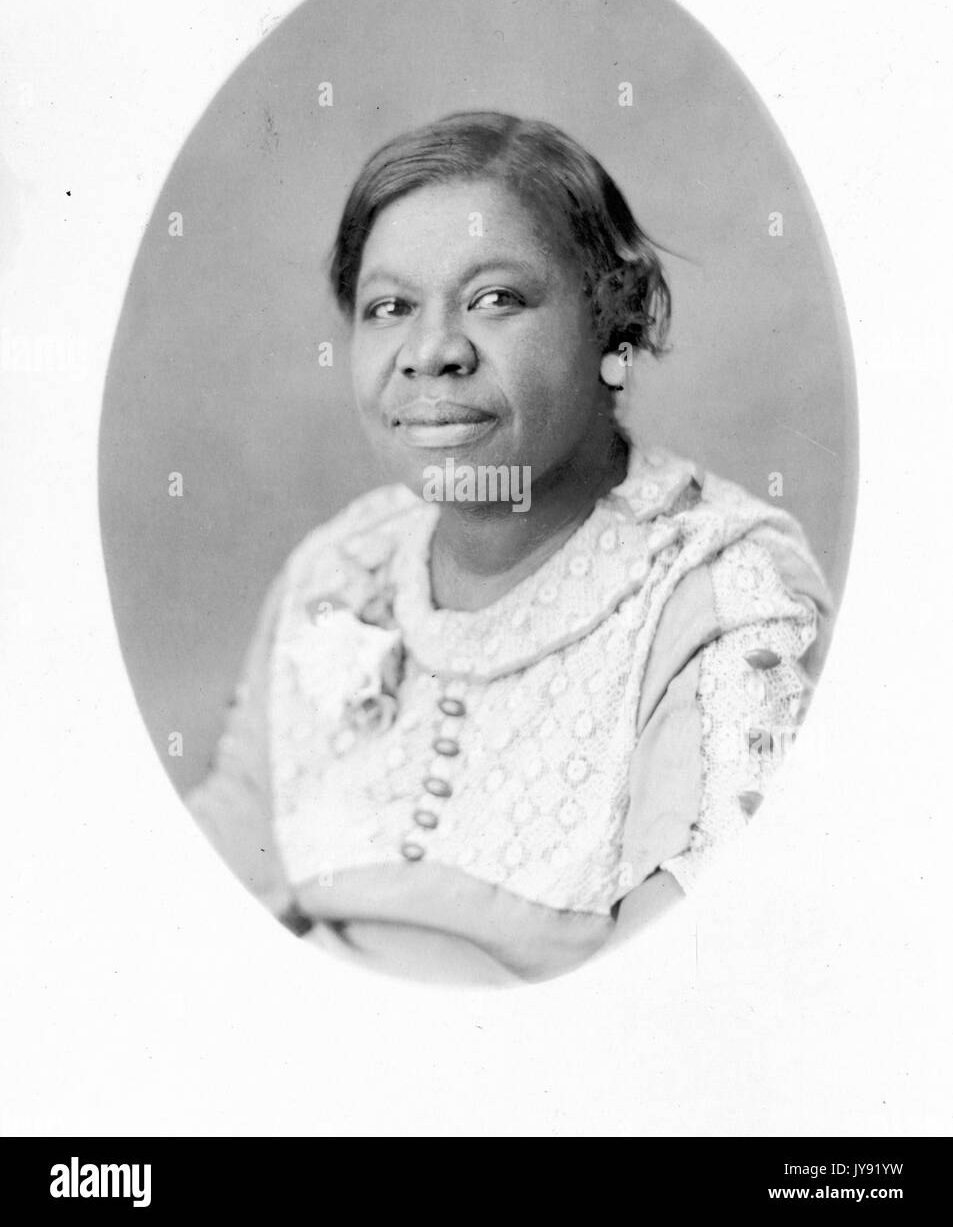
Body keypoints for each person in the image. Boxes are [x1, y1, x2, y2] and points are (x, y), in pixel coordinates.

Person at [186, 111, 832, 984]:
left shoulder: (716, 595)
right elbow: (212, 881)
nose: (432, 352)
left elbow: (677, 992)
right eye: (389, 308)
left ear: (616, 322)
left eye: (496, 299)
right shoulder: (339, 567)